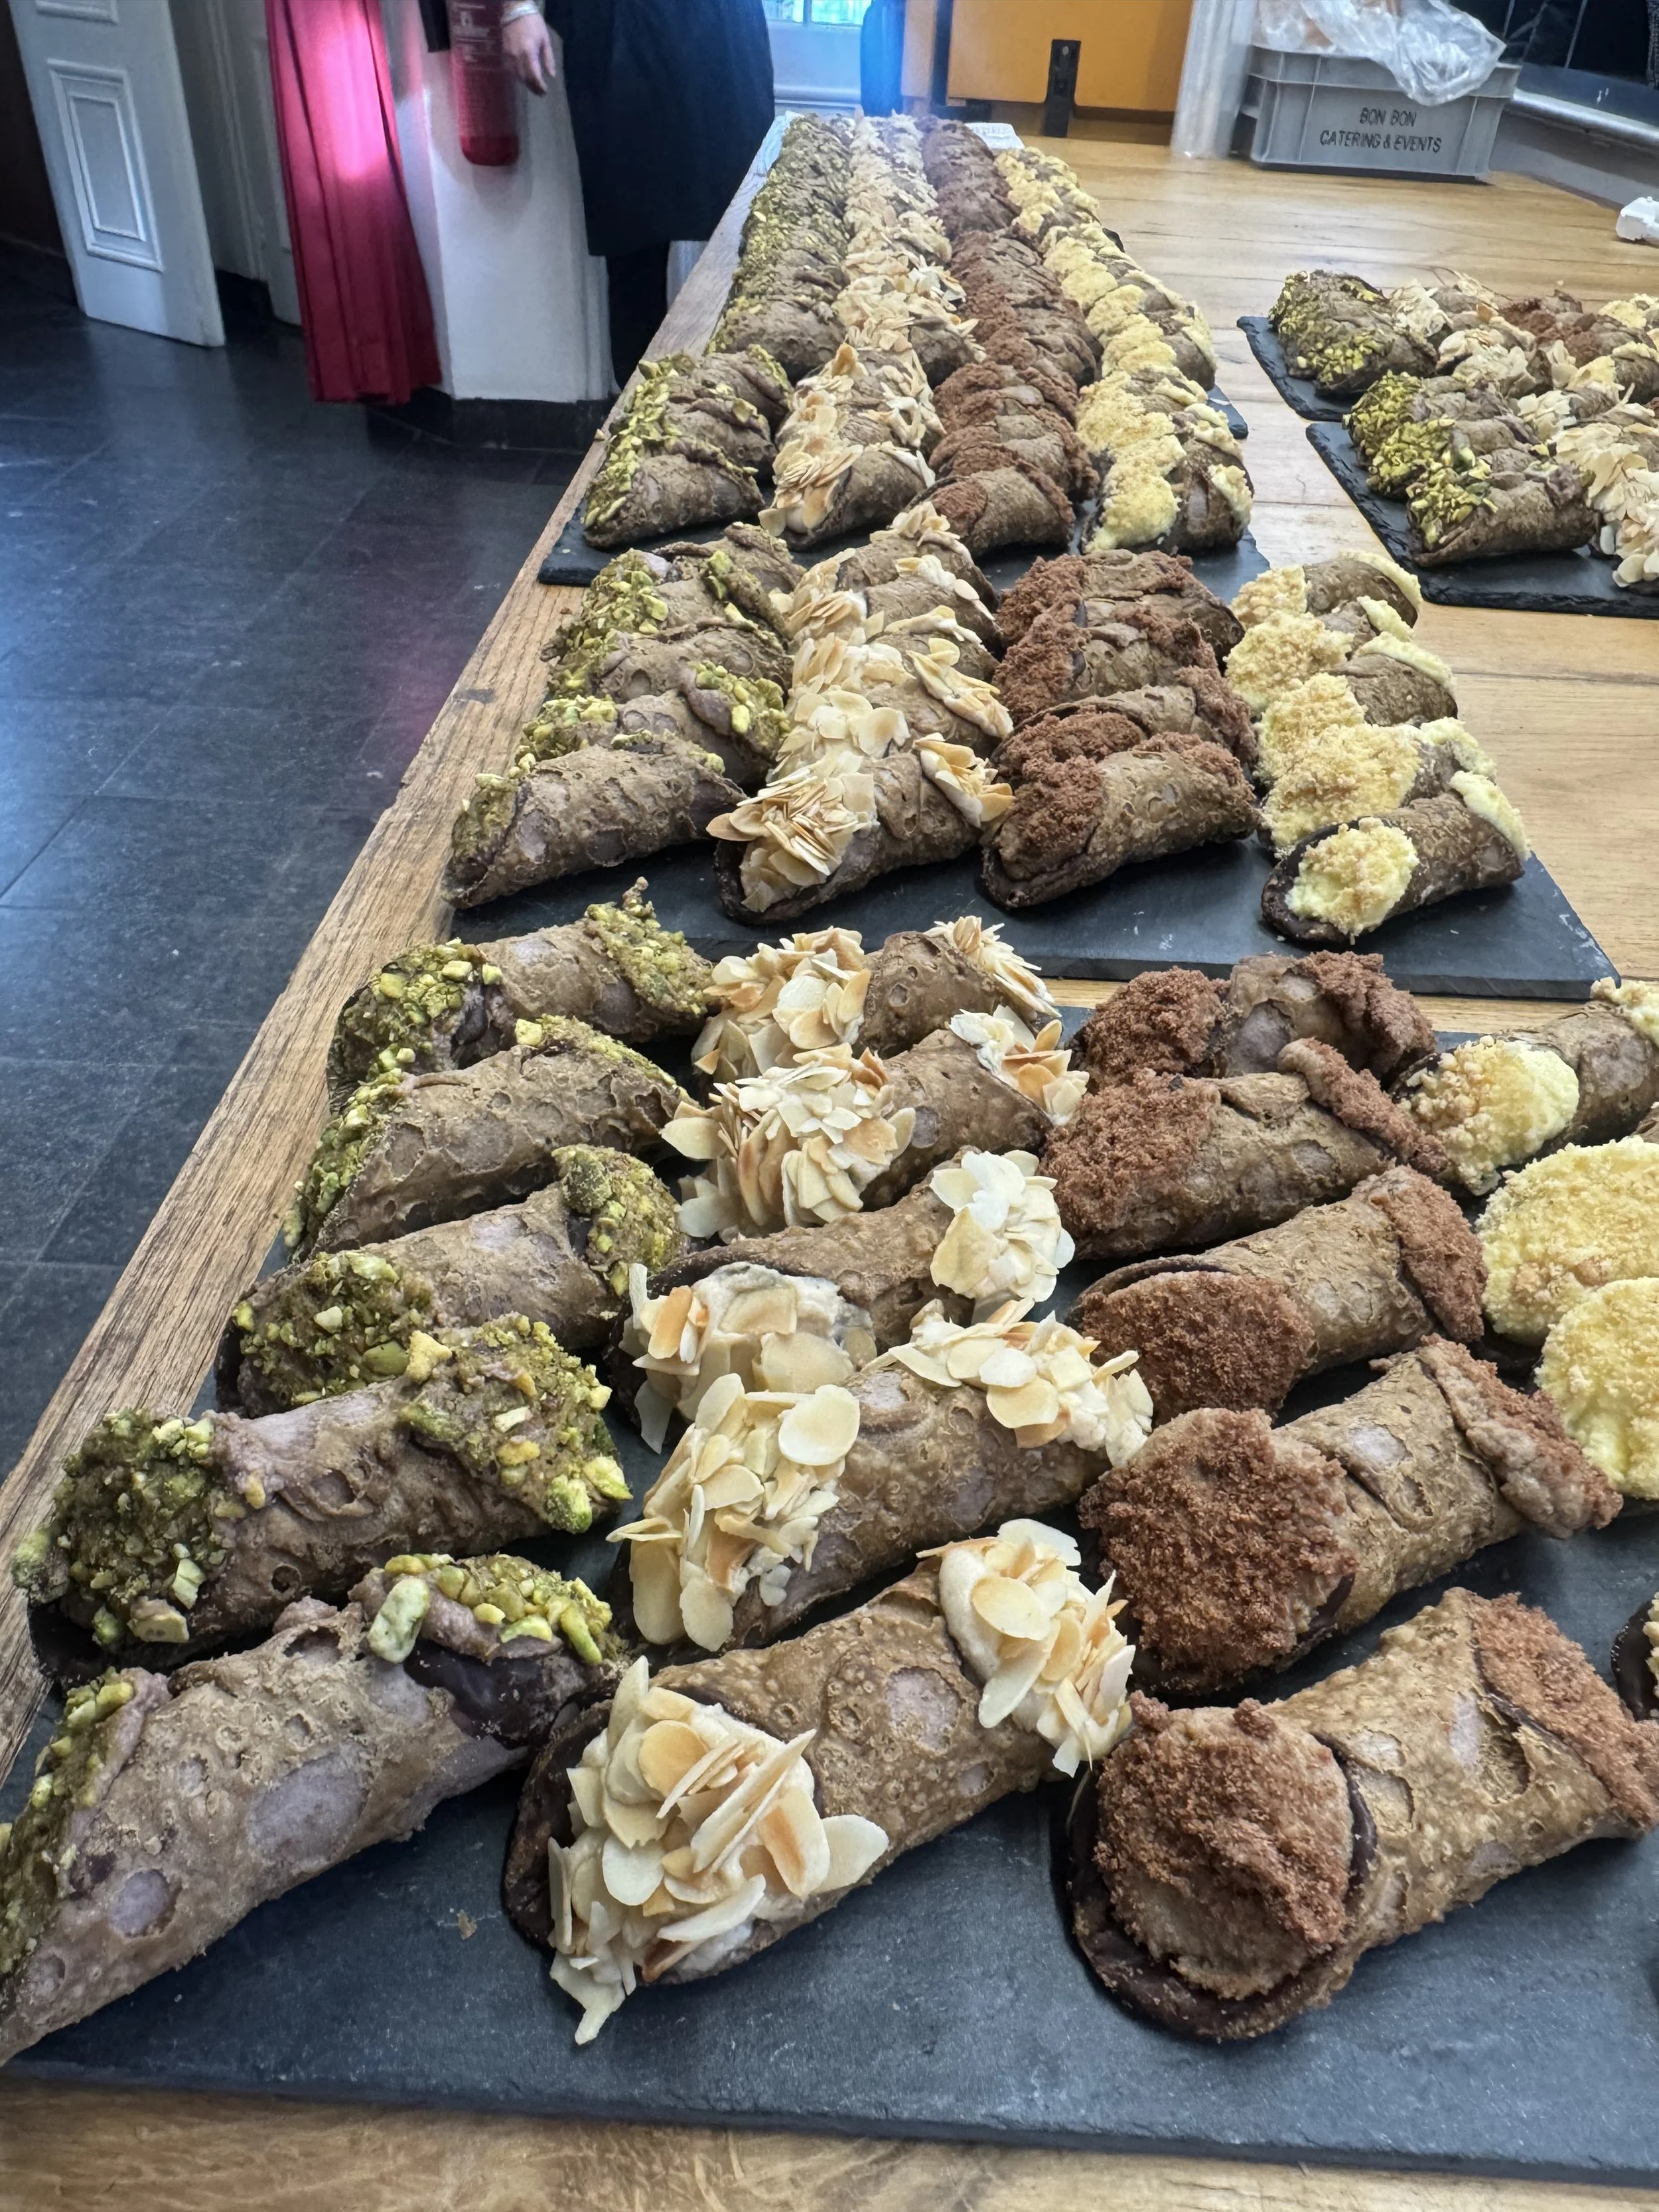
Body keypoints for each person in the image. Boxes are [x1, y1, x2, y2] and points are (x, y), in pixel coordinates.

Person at [502, 0, 775, 388]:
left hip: (723, 23)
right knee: (631, 251)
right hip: (616, 24)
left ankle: (745, 414)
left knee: (746, 231)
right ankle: (637, 428)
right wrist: (518, 8)